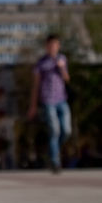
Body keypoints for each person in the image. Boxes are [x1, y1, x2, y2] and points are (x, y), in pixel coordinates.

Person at [28, 34, 71, 173]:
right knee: (54, 130)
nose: (53, 47)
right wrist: (33, 106)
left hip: (62, 100)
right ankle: (55, 162)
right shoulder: (41, 63)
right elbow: (35, 86)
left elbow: (67, 79)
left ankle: (54, 151)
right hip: (47, 100)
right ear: (47, 46)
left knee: (66, 130)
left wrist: (62, 68)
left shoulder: (62, 59)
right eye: (50, 45)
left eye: (55, 45)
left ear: (58, 46)